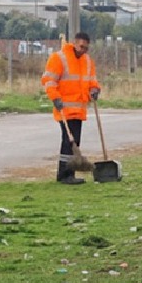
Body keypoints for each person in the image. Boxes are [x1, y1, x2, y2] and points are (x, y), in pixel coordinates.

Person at [41, 32, 100, 185]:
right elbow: (49, 80)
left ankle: (68, 173)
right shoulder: (59, 58)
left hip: (79, 109)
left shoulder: (87, 61)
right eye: (81, 46)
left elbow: (92, 80)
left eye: (86, 48)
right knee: (68, 141)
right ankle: (65, 174)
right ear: (74, 43)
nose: (83, 50)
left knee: (75, 141)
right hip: (64, 108)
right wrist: (55, 97)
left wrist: (95, 90)